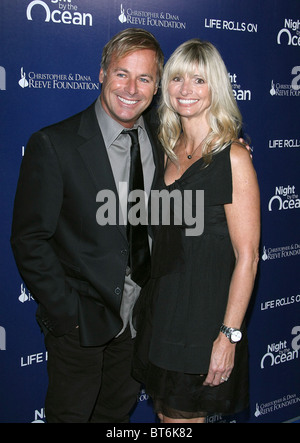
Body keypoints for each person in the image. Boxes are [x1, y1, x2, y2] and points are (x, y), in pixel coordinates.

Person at [10, 28, 164, 423]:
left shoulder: (164, 142)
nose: (131, 88)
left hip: (139, 319)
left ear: (157, 85)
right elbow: (29, 239)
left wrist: (235, 145)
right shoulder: (54, 144)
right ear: (101, 74)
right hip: (80, 322)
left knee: (114, 417)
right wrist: (68, 310)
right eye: (121, 74)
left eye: (144, 78)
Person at [132, 39, 260, 423]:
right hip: (162, 310)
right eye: (177, 79)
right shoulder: (163, 147)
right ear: (164, 87)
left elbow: (248, 257)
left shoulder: (233, 158)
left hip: (203, 321)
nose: (186, 90)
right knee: (166, 417)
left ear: (215, 88)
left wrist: (228, 336)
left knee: (181, 420)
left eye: (199, 80)